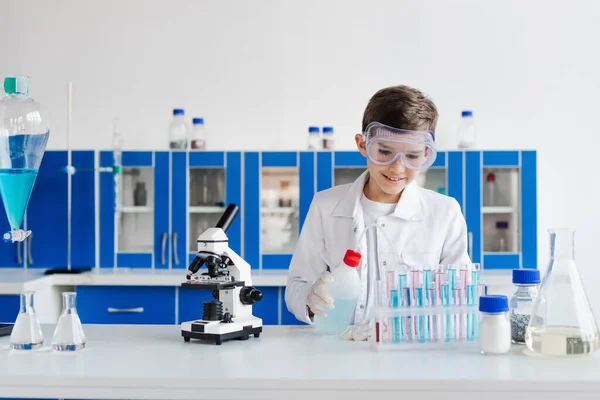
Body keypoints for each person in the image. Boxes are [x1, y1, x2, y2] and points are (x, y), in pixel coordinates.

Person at [285, 85, 471, 336]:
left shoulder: (445, 213)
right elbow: (296, 285)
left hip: (413, 351)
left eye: (412, 156)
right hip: (339, 350)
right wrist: (309, 299)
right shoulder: (325, 205)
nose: (397, 168)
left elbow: (461, 292)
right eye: (384, 152)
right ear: (363, 145)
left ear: (426, 154)